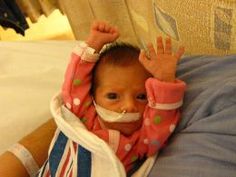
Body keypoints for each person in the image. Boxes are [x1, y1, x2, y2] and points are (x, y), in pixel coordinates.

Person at [35, 20, 186, 176]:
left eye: (141, 97)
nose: (128, 106)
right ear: (93, 97)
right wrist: (93, 45)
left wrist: (165, 80)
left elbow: (160, 123)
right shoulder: (86, 117)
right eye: (113, 96)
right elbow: (74, 85)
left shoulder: (140, 140)